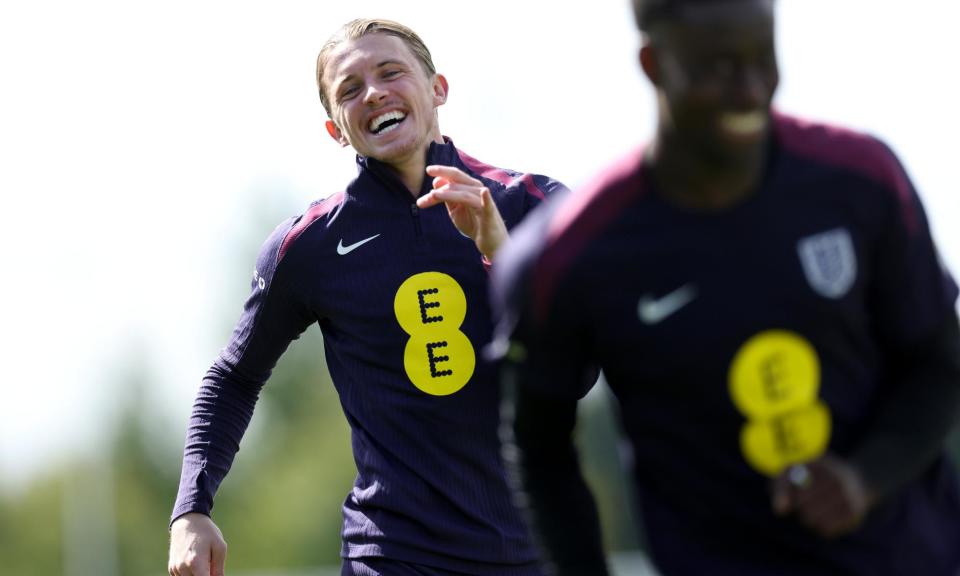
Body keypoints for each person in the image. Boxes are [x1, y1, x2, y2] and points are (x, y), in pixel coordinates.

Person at [491, 0, 960, 574]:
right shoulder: (567, 256)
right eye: (717, 66)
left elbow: (938, 365)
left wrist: (864, 479)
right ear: (653, 63)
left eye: (764, 57)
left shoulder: (862, 179)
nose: (750, 88)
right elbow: (541, 454)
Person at [167, 18, 567, 576]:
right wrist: (191, 509)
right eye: (350, 89)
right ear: (337, 129)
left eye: (390, 72)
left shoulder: (533, 204)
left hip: (537, 549)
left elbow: (581, 365)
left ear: (437, 89)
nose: (374, 93)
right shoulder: (310, 244)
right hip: (393, 554)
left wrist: (503, 255)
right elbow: (234, 376)